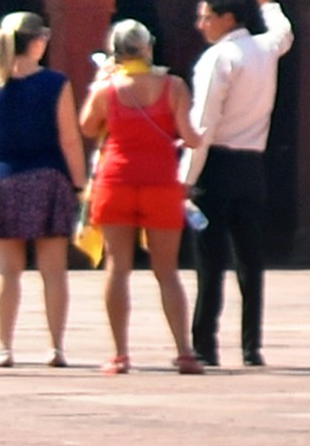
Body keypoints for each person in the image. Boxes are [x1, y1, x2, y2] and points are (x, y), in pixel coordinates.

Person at [180, 0, 291, 373]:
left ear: (227, 18)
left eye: (206, 17)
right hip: (252, 167)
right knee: (250, 260)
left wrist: (184, 179)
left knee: (210, 261)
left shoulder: (219, 57)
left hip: (218, 166)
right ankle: (251, 347)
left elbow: (203, 125)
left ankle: (205, 345)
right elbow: (284, 33)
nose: (201, 24)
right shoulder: (263, 49)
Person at [79, 20, 193, 379]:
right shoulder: (173, 86)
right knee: (167, 271)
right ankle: (185, 351)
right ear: (148, 47)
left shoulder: (107, 90)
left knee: (117, 267)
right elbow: (190, 136)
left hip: (117, 180)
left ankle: (120, 354)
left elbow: (86, 126)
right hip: (160, 180)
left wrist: (99, 83)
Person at [0, 9, 73, 371]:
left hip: (2, 180)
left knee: (7, 272)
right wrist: (79, 184)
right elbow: (69, 139)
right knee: (54, 272)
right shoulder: (56, 83)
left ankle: (3, 346)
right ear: (36, 42)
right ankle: (56, 347)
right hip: (48, 177)